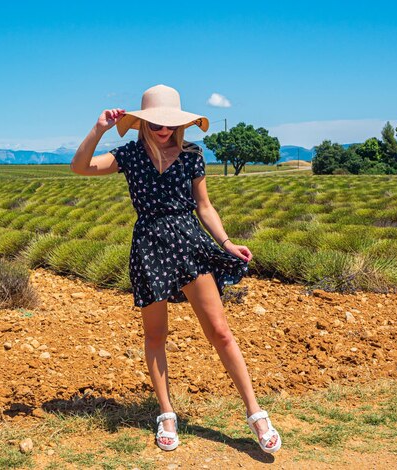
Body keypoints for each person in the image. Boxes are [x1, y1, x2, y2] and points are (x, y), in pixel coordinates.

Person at [70, 84, 281, 454]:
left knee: (220, 331)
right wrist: (98, 128)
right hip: (149, 247)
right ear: (143, 122)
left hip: (189, 243)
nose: (163, 129)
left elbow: (204, 206)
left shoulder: (192, 155)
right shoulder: (130, 155)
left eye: (169, 123)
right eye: (156, 122)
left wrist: (227, 243)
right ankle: (166, 413)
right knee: (155, 335)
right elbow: (80, 167)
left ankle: (255, 412)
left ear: (179, 124)